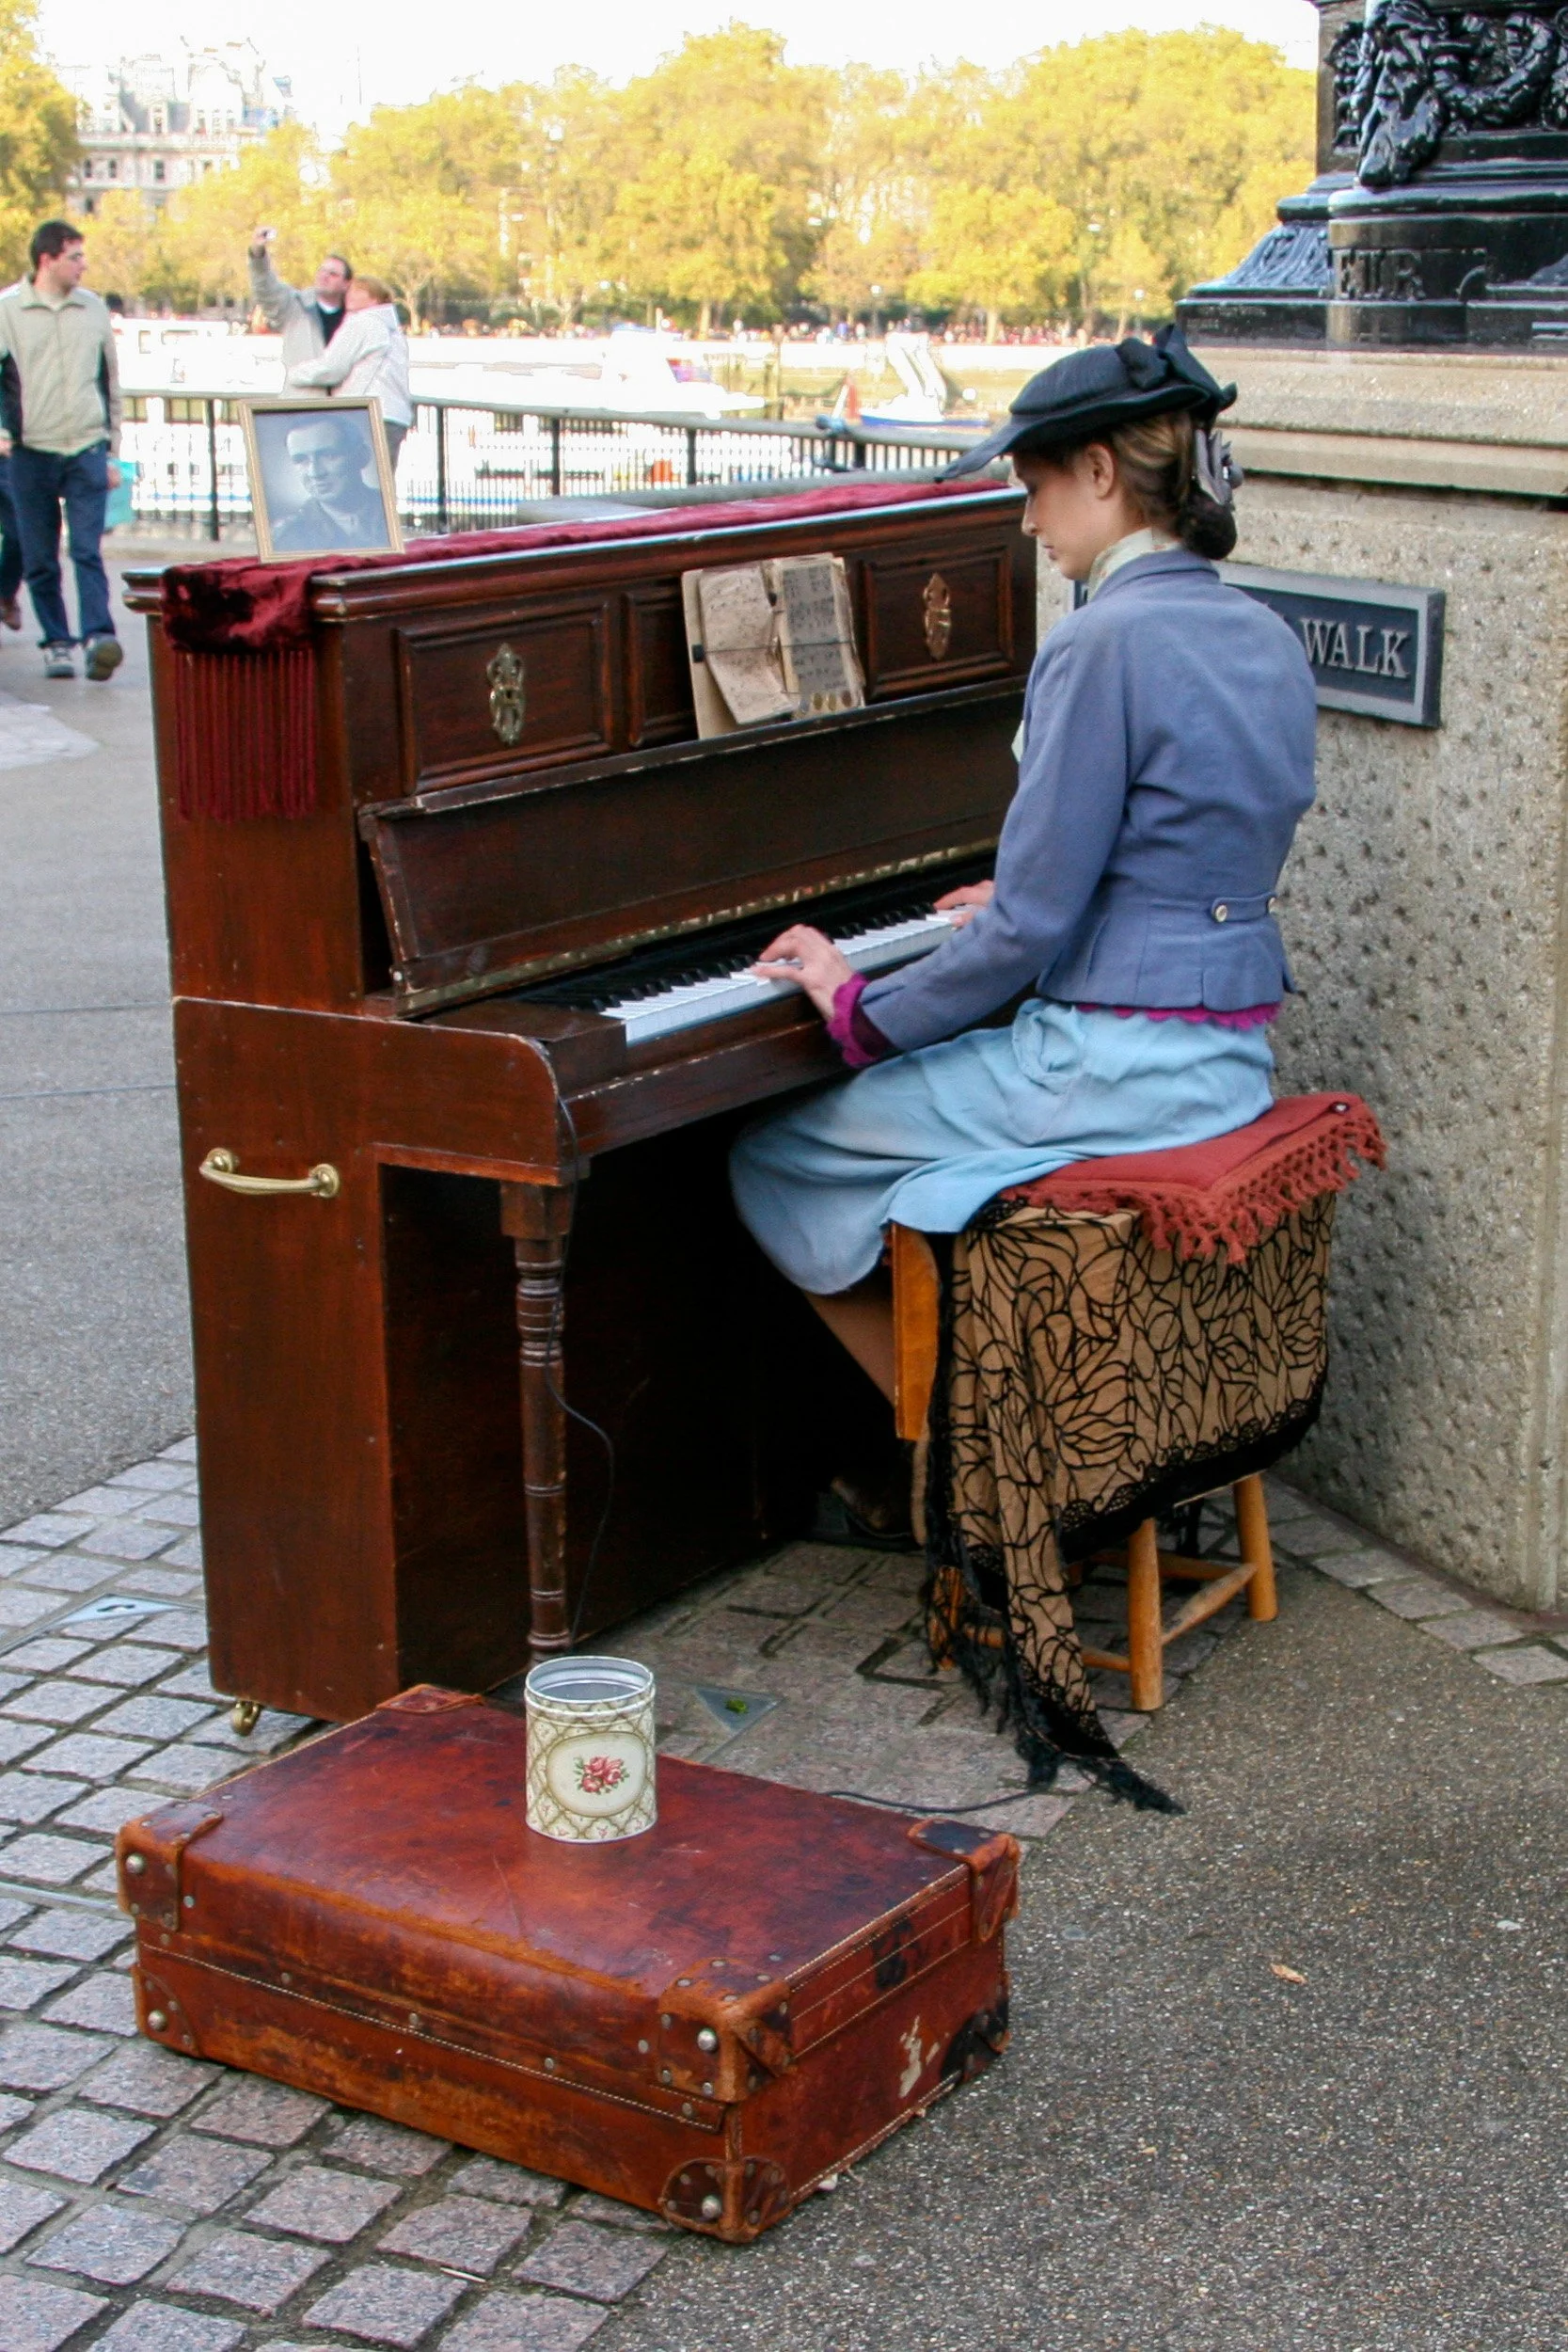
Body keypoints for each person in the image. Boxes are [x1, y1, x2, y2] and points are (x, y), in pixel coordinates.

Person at [729, 327, 1318, 1540]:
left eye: (1035, 486)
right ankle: (1032, 1426)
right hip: (1221, 1065)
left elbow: (1033, 927)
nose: (1026, 520)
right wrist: (1014, 900)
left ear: (1100, 471)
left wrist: (856, 1005)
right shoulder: (1259, 631)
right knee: (933, 1172)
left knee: (771, 1153)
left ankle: (973, 1475)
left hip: (1108, 1071)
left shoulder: (1099, 639)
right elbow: (1174, 848)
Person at [0, 221, 123, 681]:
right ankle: (57, 641)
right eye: (75, 256)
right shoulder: (9, 310)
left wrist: (112, 449)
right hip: (31, 449)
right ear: (46, 260)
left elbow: (109, 380)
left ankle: (98, 636)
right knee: (39, 555)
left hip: (86, 445)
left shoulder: (92, 309)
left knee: (88, 548)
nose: (83, 265)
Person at [284, 274, 412, 470]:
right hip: (394, 416)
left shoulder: (363, 323)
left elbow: (332, 368)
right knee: (382, 486)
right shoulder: (393, 330)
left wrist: (294, 374)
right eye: (350, 291)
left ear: (374, 298)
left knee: (357, 484)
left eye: (358, 291)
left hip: (367, 414)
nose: (349, 295)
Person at [269, 412, 391, 552]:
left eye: (329, 455)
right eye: (301, 460)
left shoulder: (393, 514)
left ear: (362, 456)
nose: (315, 473)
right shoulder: (287, 537)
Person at [247, 229, 352, 371]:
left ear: (346, 284)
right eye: (321, 271)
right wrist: (258, 256)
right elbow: (265, 288)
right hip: (301, 392)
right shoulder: (294, 306)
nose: (324, 276)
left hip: (343, 392)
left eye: (333, 274)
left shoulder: (354, 317)